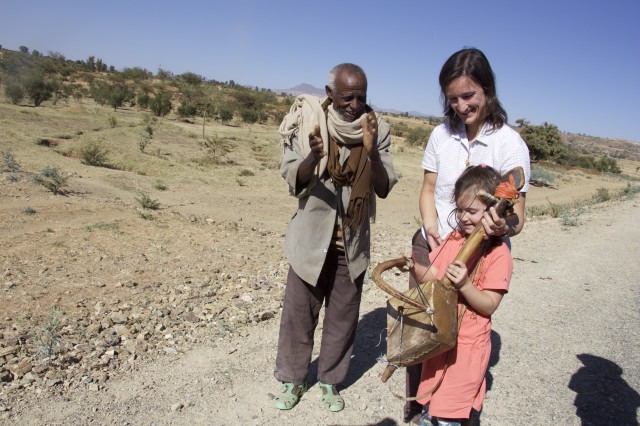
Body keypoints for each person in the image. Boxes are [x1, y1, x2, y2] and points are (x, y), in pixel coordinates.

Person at [404, 47, 531, 423]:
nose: (461, 105)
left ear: (487, 90)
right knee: (421, 329)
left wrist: (500, 226)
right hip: (433, 244)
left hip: (475, 256)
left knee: (460, 337)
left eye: (469, 96)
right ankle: (419, 405)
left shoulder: (509, 143)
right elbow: (428, 189)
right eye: (453, 98)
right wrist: (430, 230)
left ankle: (454, 410)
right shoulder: (441, 136)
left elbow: (517, 216)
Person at [273, 63, 398, 412]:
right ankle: (292, 380)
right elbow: (291, 179)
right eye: (347, 97)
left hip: (352, 243)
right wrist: (314, 155)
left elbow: (384, 187)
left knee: (343, 317)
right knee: (299, 314)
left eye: (361, 97)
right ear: (330, 94)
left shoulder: (378, 129)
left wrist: (371, 152)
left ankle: (329, 382)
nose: (355, 105)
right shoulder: (309, 121)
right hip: (311, 240)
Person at [411, 164, 513, 426]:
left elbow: (489, 304)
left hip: (466, 350)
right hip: (440, 340)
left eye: (472, 211)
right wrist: (413, 266)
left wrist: (466, 285)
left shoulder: (498, 254)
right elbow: (434, 275)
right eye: (460, 210)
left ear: (493, 211)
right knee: (431, 405)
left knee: (451, 412)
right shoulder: (455, 239)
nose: (464, 218)